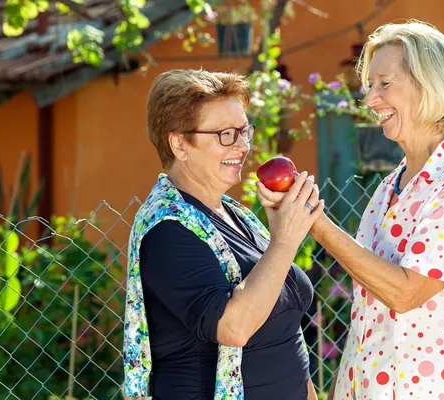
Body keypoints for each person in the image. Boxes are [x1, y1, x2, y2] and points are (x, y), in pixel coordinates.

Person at [257, 21, 444, 400]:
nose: (370, 100)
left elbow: (406, 294)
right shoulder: (391, 187)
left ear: (429, 84)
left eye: (384, 84)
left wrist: (316, 224)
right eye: (369, 86)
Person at [122, 69, 324, 400]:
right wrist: (285, 241)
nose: (242, 146)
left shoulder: (238, 216)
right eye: (225, 134)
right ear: (180, 143)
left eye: (244, 131)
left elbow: (287, 340)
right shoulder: (167, 230)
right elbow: (234, 328)